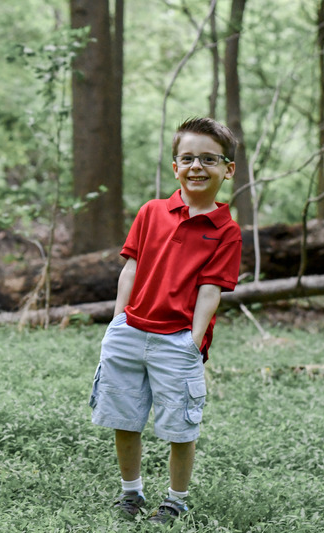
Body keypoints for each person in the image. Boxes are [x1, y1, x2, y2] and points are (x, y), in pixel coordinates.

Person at [89, 117, 242, 524]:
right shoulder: (151, 212)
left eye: (208, 159)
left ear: (228, 169)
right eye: (187, 158)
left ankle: (175, 500)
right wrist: (118, 321)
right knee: (124, 419)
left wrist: (193, 340)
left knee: (180, 427)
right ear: (175, 167)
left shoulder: (226, 231)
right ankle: (131, 494)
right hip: (130, 332)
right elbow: (131, 269)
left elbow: (211, 289)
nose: (196, 166)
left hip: (177, 341)